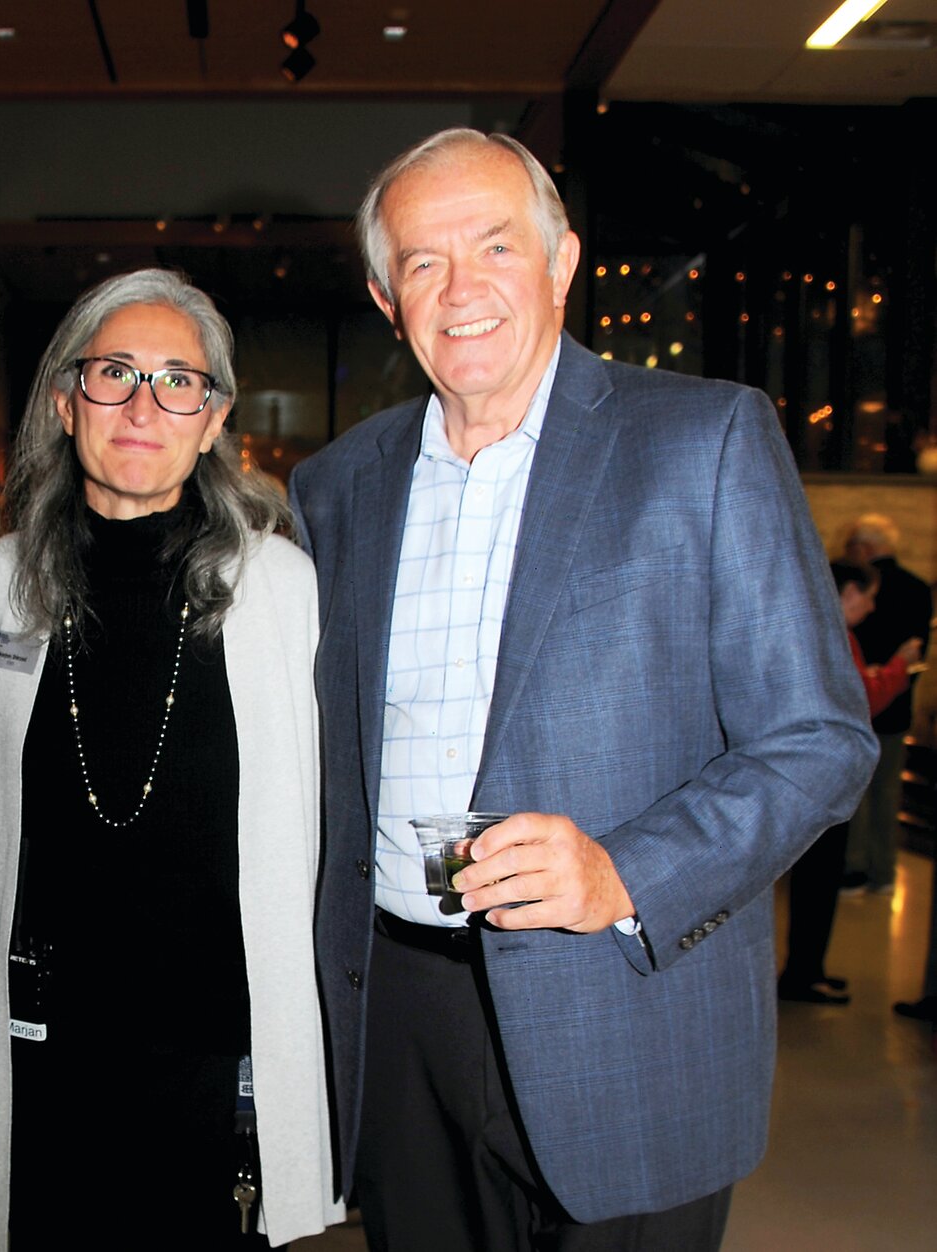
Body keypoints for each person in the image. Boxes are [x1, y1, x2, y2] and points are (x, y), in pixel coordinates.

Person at [287, 128, 878, 1251]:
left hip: (627, 1002)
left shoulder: (705, 441)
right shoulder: (335, 489)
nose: (462, 290)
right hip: (404, 1011)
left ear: (562, 262)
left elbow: (817, 738)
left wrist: (626, 872)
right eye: (423, 262)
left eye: (496, 246)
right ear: (382, 295)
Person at [0, 268, 341, 1250]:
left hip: (213, 1060)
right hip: (48, 1052)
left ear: (213, 421)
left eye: (178, 381)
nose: (142, 403)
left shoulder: (279, 588)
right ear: (65, 400)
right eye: (115, 372)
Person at [779, 561, 921, 1004]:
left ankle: (808, 968)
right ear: (844, 594)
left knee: (819, 882)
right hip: (820, 777)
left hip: (816, 775)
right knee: (818, 880)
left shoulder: (829, 633)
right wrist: (899, 667)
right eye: (867, 594)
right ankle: (804, 973)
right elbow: (861, 699)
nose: (873, 604)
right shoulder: (831, 635)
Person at [840, 514, 932, 896]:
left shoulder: (858, 587)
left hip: (860, 701)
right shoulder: (918, 588)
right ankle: (885, 871)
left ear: (863, 547)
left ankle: (854, 870)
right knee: (886, 792)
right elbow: (918, 653)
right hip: (897, 704)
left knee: (855, 792)